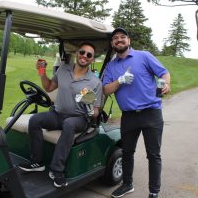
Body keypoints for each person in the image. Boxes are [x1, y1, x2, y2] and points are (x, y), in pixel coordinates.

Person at [18, 42, 102, 188]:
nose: (84, 56)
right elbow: (49, 87)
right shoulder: (63, 69)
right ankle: (37, 162)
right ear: (77, 53)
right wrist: (42, 72)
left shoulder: (95, 82)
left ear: (92, 60)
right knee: (35, 120)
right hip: (57, 114)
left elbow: (96, 111)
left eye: (89, 55)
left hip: (79, 118)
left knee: (69, 124)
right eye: (82, 52)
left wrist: (89, 108)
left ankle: (57, 170)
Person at [102, 28, 171, 198]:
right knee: (127, 152)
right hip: (129, 116)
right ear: (112, 43)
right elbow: (106, 90)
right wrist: (119, 81)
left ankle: (154, 192)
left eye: (122, 37)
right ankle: (127, 184)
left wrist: (166, 84)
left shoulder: (144, 56)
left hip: (151, 113)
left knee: (153, 154)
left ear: (129, 40)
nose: (119, 40)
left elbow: (163, 73)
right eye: (115, 38)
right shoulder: (111, 66)